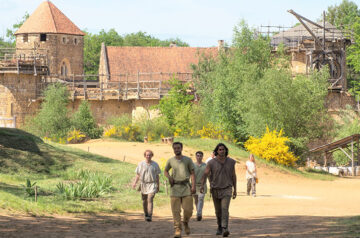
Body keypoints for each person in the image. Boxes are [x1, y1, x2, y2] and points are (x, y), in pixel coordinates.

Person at [201, 143, 236, 237]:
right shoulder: (211, 163)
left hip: (227, 189)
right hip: (215, 189)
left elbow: (233, 176)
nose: (222, 151)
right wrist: (202, 185)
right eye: (220, 149)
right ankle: (219, 226)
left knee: (224, 209)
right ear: (217, 151)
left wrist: (235, 189)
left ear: (226, 150)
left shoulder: (231, 162)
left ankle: (225, 228)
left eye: (223, 149)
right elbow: (205, 173)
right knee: (218, 211)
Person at [164, 142, 196, 238]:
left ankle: (185, 222)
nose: (177, 150)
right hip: (175, 188)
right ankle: (177, 229)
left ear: (181, 148)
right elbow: (165, 171)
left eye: (178, 148)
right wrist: (169, 177)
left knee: (188, 209)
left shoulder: (188, 160)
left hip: (186, 187)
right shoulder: (170, 160)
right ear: (173, 149)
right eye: (175, 148)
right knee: (175, 210)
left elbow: (192, 173)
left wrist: (193, 186)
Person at [132, 150, 161, 222]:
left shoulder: (155, 164)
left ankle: (149, 215)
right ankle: (146, 213)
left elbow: (157, 176)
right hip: (143, 184)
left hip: (152, 184)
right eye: (147, 155)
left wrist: (158, 185)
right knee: (144, 200)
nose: (148, 156)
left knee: (150, 199)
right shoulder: (141, 164)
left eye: (150, 155)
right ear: (145, 156)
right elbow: (138, 175)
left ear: (152, 156)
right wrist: (135, 183)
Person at [193, 151, 207, 221]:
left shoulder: (205, 165)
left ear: (202, 157)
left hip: (203, 185)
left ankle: (199, 213)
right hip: (194, 185)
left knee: (201, 198)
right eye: (197, 155)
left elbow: (208, 175)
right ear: (195, 156)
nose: (199, 157)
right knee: (196, 200)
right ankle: (198, 211)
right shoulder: (192, 165)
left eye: (200, 156)